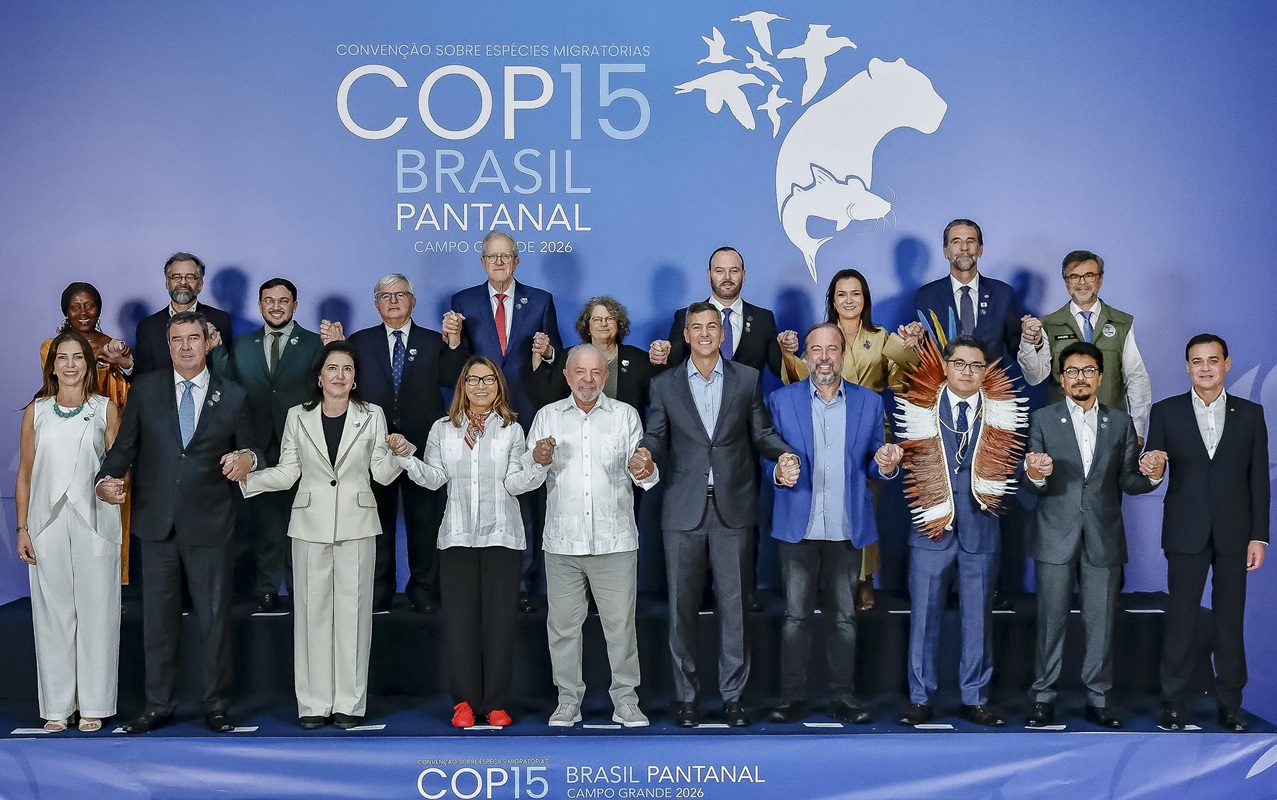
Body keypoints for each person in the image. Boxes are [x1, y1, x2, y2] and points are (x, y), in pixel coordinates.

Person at [96, 310, 260, 734]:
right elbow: (124, 447)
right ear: (168, 345)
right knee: (158, 623)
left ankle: (216, 705)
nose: (185, 346)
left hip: (211, 522)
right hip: (156, 523)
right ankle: (157, 706)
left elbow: (254, 448)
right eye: (177, 339)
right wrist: (104, 480)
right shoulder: (146, 389)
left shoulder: (234, 395)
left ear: (208, 343)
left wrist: (249, 458)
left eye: (193, 338)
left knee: (214, 620)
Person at [637, 302, 797, 728]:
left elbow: (762, 433)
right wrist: (643, 454)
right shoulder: (664, 384)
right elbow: (656, 436)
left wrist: (783, 455)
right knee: (681, 610)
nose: (705, 333)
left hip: (734, 507)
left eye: (712, 326)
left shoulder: (747, 379)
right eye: (697, 327)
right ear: (686, 335)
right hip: (682, 508)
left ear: (723, 334)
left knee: (735, 608)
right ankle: (687, 698)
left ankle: (733, 698)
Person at [241, 341, 401, 729]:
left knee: (354, 616)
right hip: (309, 525)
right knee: (312, 615)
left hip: (357, 524)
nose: (339, 376)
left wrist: (400, 453)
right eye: (332, 368)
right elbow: (288, 471)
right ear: (319, 376)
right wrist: (247, 479)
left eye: (347, 369)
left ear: (355, 378)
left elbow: (382, 473)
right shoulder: (298, 416)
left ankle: (349, 703)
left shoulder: (372, 415)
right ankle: (313, 703)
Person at [391, 356, 541, 728]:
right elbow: (434, 479)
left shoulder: (511, 430)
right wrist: (406, 457)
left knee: (499, 623)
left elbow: (515, 484)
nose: (481, 386)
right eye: (473, 379)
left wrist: (539, 463)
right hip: (457, 538)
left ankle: (495, 702)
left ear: (498, 385)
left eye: (488, 379)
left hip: (501, 537)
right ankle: (464, 703)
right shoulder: (443, 429)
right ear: (463, 385)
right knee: (460, 624)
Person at [764, 323, 903, 725]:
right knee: (795, 618)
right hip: (798, 527)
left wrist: (886, 464)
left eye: (832, 349)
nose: (824, 358)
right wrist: (777, 472)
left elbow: (875, 460)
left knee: (844, 618)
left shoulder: (869, 402)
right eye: (816, 350)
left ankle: (843, 698)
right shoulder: (781, 400)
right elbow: (766, 456)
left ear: (842, 354)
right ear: (805, 356)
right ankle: (792, 699)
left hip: (846, 527)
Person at [1022, 342, 1157, 729]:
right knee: (1050, 622)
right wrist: (1035, 473)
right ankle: (1043, 697)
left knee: (1101, 624)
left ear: (1100, 377)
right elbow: (1032, 481)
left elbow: (1128, 480)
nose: (1079, 378)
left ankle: (1098, 698)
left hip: (1103, 537)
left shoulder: (1121, 423)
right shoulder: (1042, 419)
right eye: (1071, 371)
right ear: (1061, 378)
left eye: (1087, 371)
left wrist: (1152, 476)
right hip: (1055, 536)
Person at [525, 345, 660, 728]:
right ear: (566, 375)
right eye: (580, 372)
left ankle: (626, 701)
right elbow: (525, 479)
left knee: (620, 627)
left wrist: (645, 468)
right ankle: (567, 702)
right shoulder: (548, 416)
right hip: (563, 543)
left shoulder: (625, 415)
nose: (587, 380)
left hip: (614, 541)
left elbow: (644, 476)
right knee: (563, 629)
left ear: (606, 376)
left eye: (596, 372)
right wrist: (538, 461)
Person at [896, 335, 1026, 727]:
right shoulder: (919, 405)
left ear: (985, 371)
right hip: (930, 529)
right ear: (946, 366)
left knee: (978, 619)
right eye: (960, 364)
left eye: (975, 365)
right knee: (923, 617)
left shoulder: (1003, 410)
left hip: (981, 529)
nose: (967, 372)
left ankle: (975, 697)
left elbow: (1013, 469)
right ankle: (920, 698)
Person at [777, 268, 924, 610]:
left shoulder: (881, 336)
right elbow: (798, 381)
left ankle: (864, 578)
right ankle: (829, 580)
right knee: (823, 506)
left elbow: (902, 380)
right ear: (832, 300)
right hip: (823, 428)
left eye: (855, 293)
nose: (848, 300)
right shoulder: (822, 336)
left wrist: (910, 347)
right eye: (841, 294)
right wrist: (787, 355)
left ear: (865, 298)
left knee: (863, 507)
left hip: (867, 430)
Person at [319, 273, 467, 613]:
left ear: (413, 301)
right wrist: (336, 349)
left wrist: (455, 343)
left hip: (422, 446)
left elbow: (452, 378)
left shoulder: (434, 341)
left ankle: (424, 589)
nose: (394, 301)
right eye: (385, 296)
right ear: (376, 304)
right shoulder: (359, 341)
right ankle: (378, 589)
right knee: (377, 521)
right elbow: (341, 381)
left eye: (400, 295)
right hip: (374, 444)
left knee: (425, 521)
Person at [1143, 334, 1268, 732]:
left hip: (1236, 534)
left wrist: (1259, 536)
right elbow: (1152, 466)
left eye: (1213, 360)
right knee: (1181, 619)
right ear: (1187, 366)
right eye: (1197, 361)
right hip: (1185, 531)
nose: (1205, 368)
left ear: (1227, 363)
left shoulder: (1251, 414)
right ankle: (1174, 703)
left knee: (1230, 621)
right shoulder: (1165, 411)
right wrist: (1152, 467)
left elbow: (1258, 480)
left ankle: (1230, 705)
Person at [649, 246, 785, 611]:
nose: (727, 277)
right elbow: (672, 380)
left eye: (734, 270)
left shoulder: (764, 319)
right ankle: (702, 593)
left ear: (743, 274)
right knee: (691, 536)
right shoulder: (685, 316)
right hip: (691, 453)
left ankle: (744, 593)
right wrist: (659, 359)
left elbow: (779, 371)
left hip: (740, 448)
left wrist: (789, 353)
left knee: (740, 528)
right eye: (720, 270)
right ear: (709, 275)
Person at [15, 330, 123, 733]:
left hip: (96, 522)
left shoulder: (105, 408)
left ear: (89, 365)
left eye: (78, 357)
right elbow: (25, 473)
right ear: (53, 366)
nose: (71, 364)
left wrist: (116, 487)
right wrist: (23, 527)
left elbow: (120, 465)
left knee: (98, 612)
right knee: (53, 614)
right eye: (63, 357)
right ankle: (58, 707)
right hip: (46, 523)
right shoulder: (37, 411)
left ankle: (94, 704)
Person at [450, 232, 563, 612]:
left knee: (527, 498)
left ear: (516, 261)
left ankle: (528, 582)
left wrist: (549, 352)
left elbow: (556, 357)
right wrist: (453, 341)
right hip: (480, 414)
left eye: (505, 256)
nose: (499, 262)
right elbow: (459, 362)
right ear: (482, 262)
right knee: (483, 495)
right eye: (492, 256)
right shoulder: (463, 301)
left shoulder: (541, 300)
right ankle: (488, 582)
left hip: (527, 412)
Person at [231, 278, 324, 612]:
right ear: (259, 305)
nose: (276, 307)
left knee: (303, 521)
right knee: (266, 523)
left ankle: (301, 589)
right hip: (257, 445)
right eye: (269, 300)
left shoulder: (315, 344)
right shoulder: (242, 345)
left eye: (283, 301)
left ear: (295, 305)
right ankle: (267, 588)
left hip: (302, 443)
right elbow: (230, 390)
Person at [39, 282, 135, 583]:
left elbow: (129, 390)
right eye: (75, 306)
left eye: (89, 305)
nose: (83, 312)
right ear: (65, 311)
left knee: (112, 500)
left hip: (109, 434)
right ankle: (69, 578)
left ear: (99, 309)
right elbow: (62, 381)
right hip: (66, 437)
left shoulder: (114, 345)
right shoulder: (51, 347)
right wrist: (99, 358)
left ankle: (112, 581)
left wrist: (124, 362)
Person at [1018, 250, 1152, 441]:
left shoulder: (1121, 323)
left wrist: (1137, 429)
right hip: (1062, 431)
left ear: (1100, 279)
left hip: (1111, 429)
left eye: (1089, 275)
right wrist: (1028, 343)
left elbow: (1136, 377)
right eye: (1074, 277)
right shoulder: (1048, 324)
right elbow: (1034, 377)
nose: (1082, 283)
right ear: (1066, 282)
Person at [913, 220, 1039, 366]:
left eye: (970, 241)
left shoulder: (1003, 294)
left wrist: (1031, 339)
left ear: (980, 249)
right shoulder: (927, 296)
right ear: (945, 251)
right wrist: (915, 341)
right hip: (942, 380)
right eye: (956, 241)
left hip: (991, 380)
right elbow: (921, 351)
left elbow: (1017, 349)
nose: (964, 248)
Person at [530, 296, 652, 413]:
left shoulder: (638, 359)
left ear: (618, 325)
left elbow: (656, 398)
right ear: (587, 326)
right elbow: (549, 398)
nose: (603, 324)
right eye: (597, 319)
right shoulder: (569, 357)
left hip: (625, 427)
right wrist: (538, 356)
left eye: (610, 319)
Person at [133, 252, 233, 376]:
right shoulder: (147, 326)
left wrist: (212, 346)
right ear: (167, 283)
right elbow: (144, 377)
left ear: (200, 284)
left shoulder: (220, 320)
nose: (183, 283)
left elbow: (227, 373)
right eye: (176, 277)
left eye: (190, 277)